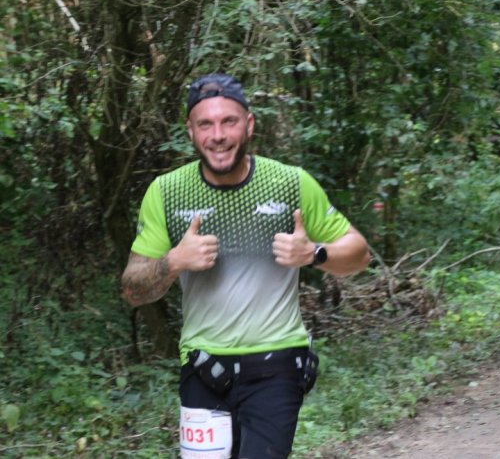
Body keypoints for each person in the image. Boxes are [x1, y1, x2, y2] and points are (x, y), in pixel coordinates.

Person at [121, 73, 371, 458]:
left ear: (249, 125)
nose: (218, 135)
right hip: (202, 368)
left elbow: (359, 254)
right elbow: (132, 290)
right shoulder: (167, 192)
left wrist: (314, 253)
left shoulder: (290, 183)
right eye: (206, 124)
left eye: (229, 121)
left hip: (277, 364)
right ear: (191, 130)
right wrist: (174, 261)